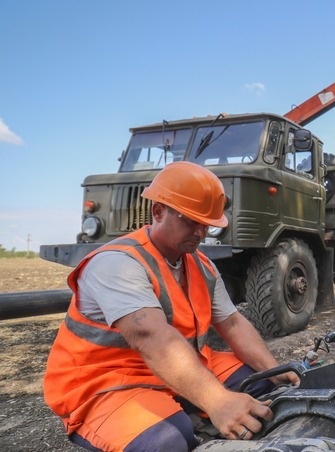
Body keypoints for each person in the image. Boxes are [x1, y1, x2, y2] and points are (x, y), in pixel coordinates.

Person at [43, 161, 298, 451]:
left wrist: (275, 369)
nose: (200, 233)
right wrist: (217, 401)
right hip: (107, 382)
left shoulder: (201, 265)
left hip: (177, 365)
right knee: (168, 442)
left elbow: (233, 323)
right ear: (158, 212)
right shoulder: (117, 263)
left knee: (261, 384)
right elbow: (153, 339)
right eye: (191, 221)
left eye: (207, 224)